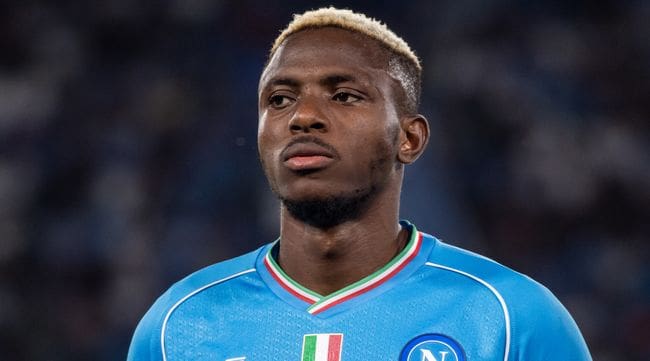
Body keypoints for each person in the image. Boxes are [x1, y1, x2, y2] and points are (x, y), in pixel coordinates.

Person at [127, 7, 592, 361]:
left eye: (345, 95)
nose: (303, 117)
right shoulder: (177, 326)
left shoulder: (512, 318)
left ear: (409, 139)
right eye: (281, 98)